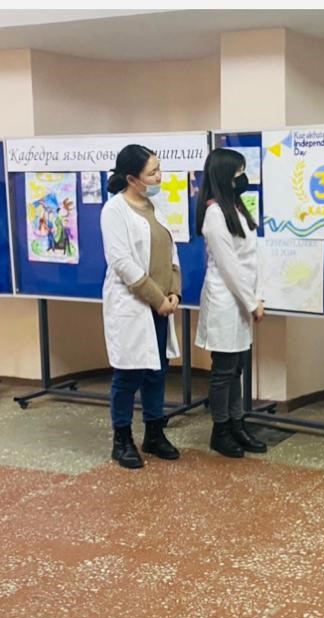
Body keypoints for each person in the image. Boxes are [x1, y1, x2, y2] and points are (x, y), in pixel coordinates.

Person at [101, 144, 182, 469]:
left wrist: (174, 292)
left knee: (156, 373)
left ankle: (154, 433)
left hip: (161, 306)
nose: (159, 176)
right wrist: (157, 298)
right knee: (128, 375)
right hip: (134, 304)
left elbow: (171, 251)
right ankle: (121, 440)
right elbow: (121, 262)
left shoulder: (155, 205)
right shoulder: (114, 211)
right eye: (152, 172)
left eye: (159, 169)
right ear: (132, 179)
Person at [195, 148, 267, 458]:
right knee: (223, 371)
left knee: (236, 369)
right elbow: (229, 267)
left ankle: (237, 424)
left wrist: (255, 297)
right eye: (238, 173)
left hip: (240, 301)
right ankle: (220, 430)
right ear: (225, 176)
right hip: (225, 301)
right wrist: (252, 303)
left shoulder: (235, 208)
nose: (243, 178)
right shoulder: (214, 214)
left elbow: (251, 259)